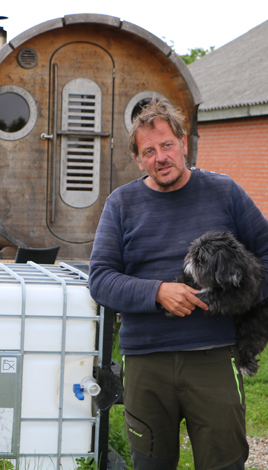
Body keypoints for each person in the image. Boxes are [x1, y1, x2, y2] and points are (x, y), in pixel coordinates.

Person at [89, 98, 268, 470]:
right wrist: (157, 293)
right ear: (138, 160)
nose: (161, 157)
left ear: (183, 143)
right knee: (151, 464)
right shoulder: (121, 204)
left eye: (167, 145)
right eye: (149, 151)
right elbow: (101, 279)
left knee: (225, 463)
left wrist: (237, 297)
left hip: (215, 356)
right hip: (146, 361)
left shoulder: (225, 192)